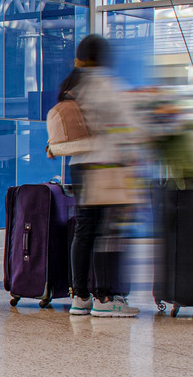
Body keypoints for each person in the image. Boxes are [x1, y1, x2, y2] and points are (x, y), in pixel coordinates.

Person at [60, 35, 140, 317]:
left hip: (80, 165)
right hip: (107, 166)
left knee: (84, 231)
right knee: (110, 232)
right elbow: (128, 128)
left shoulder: (74, 86)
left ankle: (79, 296)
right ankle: (106, 298)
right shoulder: (108, 86)